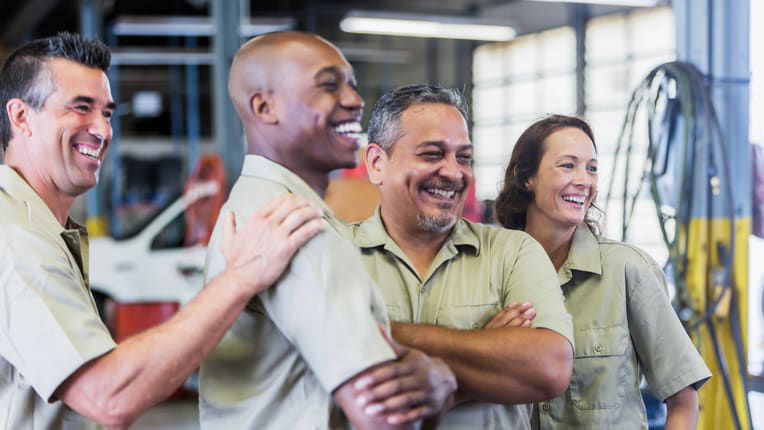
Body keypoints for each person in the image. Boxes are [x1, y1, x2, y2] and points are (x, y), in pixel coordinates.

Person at [0, 32, 326, 429]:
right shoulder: (14, 235)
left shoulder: (44, 227)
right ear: (20, 117)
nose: (102, 131)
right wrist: (241, 277)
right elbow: (108, 396)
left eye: (107, 113)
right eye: (81, 108)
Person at [199, 32, 456, 430]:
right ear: (265, 107)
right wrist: (441, 384)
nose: (355, 100)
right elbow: (385, 416)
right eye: (328, 85)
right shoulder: (293, 225)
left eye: (351, 84)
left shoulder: (252, 204)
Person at [347, 84, 575, 429]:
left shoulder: (513, 253)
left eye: (464, 157)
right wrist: (487, 347)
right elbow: (308, 374)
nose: (454, 173)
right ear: (377, 163)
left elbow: (549, 369)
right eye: (432, 154)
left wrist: (380, 334)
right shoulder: (335, 251)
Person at [493, 114, 712, 429]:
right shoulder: (490, 273)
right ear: (526, 177)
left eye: (591, 168)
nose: (584, 180)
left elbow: (683, 399)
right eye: (568, 165)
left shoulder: (627, 269)